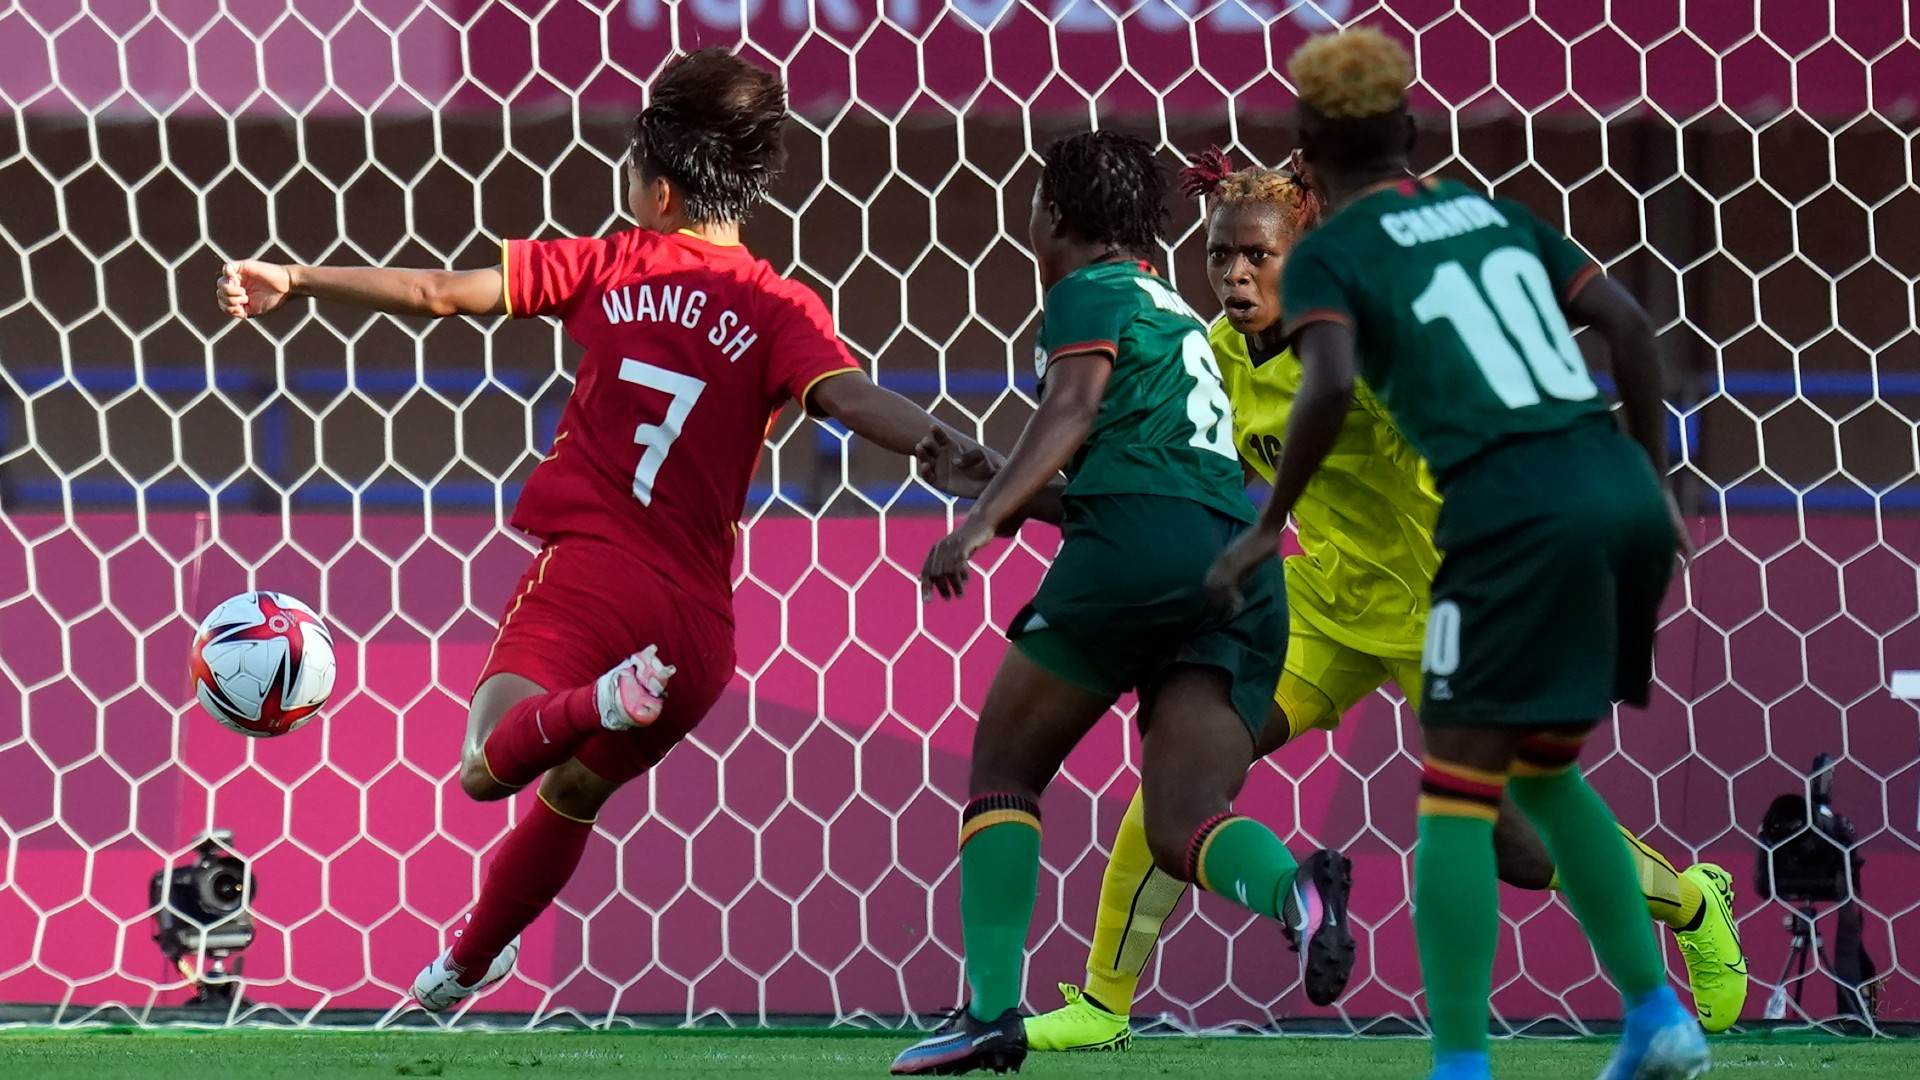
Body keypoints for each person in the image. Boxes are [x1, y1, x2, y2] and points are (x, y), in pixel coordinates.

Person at [216, 48, 969, 1013]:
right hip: (698, 629)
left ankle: (597, 702)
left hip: (592, 575)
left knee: (489, 766)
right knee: (571, 796)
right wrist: (943, 445)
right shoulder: (783, 309)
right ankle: (465, 966)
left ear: (658, 191)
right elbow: (852, 398)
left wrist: (298, 275)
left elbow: (443, 295)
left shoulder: (613, 262)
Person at [1011, 150, 1745, 1052]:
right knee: (1183, 767)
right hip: (1324, 604)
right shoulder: (1216, 361)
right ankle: (1103, 1003)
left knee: (1517, 848)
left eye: (1259, 257)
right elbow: (1193, 483)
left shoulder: (1367, 349)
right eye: (1218, 257)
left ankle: (1691, 900)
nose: (1236, 276)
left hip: (1449, 608)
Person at [1205, 27, 1712, 1080]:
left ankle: (1462, 1066)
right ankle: (1657, 1013)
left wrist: (1266, 524)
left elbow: (1331, 384)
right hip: (1612, 490)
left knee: (1458, 797)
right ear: (1416, 129)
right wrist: (1657, 481)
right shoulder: (1498, 215)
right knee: (1546, 773)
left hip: (1507, 514)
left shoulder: (1336, 254)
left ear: (1306, 144)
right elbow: (1628, 325)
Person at [889, 130, 1354, 1078]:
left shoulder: (1088, 291)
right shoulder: (1176, 313)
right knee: (1185, 818)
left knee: (1006, 764)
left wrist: (978, 523)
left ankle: (986, 1012)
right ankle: (1295, 896)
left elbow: (1072, 408)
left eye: (1033, 204)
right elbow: (1148, 474)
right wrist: (998, 477)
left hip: (1150, 545)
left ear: (1056, 215)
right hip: (1238, 559)